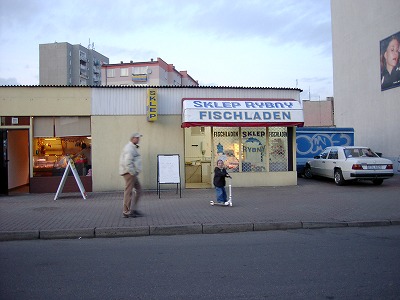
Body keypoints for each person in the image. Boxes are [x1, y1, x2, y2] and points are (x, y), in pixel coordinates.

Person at [119, 132, 143, 218]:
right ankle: (126, 211)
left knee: (139, 190)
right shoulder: (129, 148)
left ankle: (133, 210)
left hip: (132, 173)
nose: (138, 139)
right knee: (128, 192)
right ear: (132, 138)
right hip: (129, 173)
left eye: (139, 138)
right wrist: (132, 172)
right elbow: (128, 162)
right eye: (137, 138)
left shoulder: (133, 147)